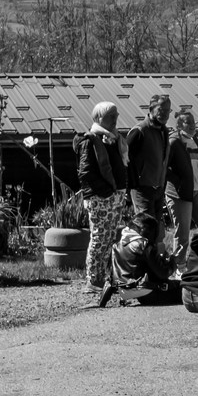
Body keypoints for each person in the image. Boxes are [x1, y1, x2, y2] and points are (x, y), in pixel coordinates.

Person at [76, 101, 128, 298]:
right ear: (98, 118)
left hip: (115, 197)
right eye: (110, 116)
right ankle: (93, 280)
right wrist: (106, 191)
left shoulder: (113, 139)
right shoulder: (90, 140)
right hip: (100, 198)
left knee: (109, 238)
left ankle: (104, 277)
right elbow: (85, 173)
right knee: (99, 238)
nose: (115, 119)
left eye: (116, 115)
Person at [124, 93, 173, 247]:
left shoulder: (164, 131)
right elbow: (125, 158)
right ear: (151, 109)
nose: (165, 114)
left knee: (158, 231)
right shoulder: (139, 131)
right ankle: (140, 262)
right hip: (142, 188)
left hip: (158, 188)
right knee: (145, 229)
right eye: (161, 110)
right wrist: (130, 185)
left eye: (168, 110)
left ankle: (155, 264)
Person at [168, 109, 198, 263]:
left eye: (194, 122)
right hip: (180, 194)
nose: (193, 125)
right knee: (183, 234)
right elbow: (164, 168)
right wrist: (179, 184)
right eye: (188, 122)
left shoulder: (196, 141)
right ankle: (178, 266)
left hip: (196, 192)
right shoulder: (173, 141)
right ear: (179, 125)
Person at [104, 224, 180, 307]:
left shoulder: (117, 246)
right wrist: (173, 261)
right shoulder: (145, 245)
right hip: (148, 293)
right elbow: (163, 274)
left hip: (126, 291)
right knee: (187, 288)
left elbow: (111, 275)